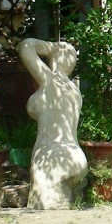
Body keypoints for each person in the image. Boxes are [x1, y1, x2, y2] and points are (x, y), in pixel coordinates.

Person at [18, 38, 87, 209]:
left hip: (52, 154)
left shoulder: (49, 80)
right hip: (76, 155)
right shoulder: (73, 90)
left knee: (43, 207)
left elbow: (26, 46)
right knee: (67, 204)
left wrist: (51, 48)